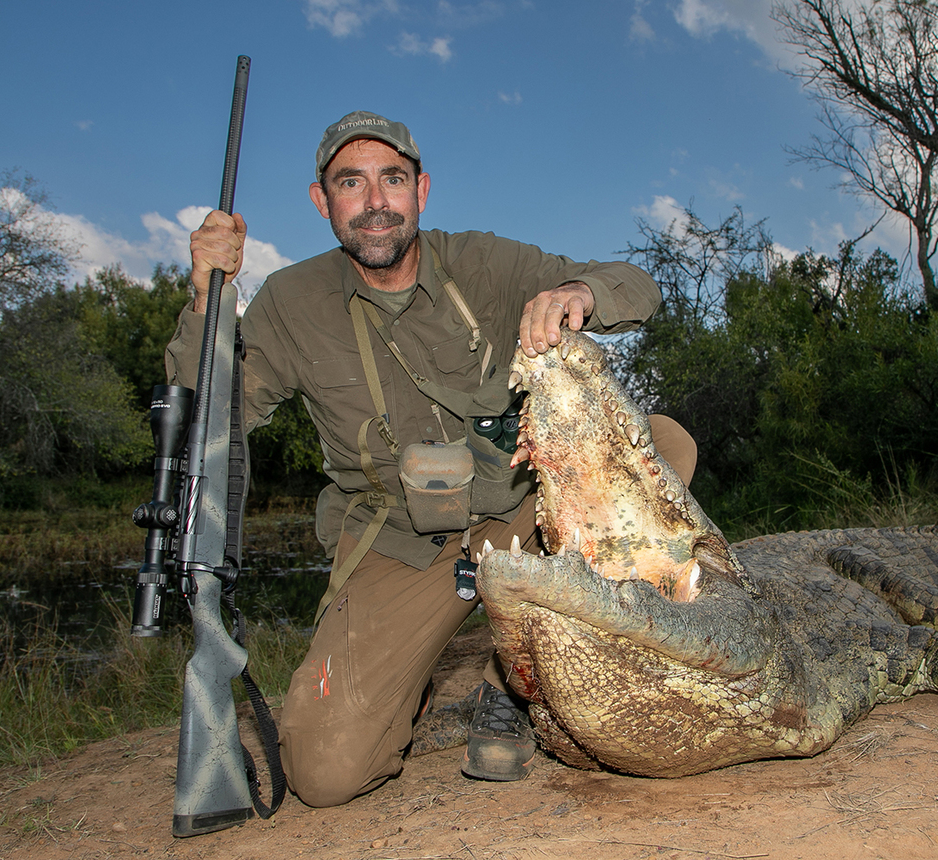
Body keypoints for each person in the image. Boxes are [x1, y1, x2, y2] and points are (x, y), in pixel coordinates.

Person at [168, 110, 697, 808]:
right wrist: (208, 294)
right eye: (350, 183)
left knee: (664, 446)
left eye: (392, 179)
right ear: (321, 202)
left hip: (519, 512)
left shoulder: (484, 262)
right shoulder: (289, 301)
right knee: (326, 775)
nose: (375, 200)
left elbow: (634, 284)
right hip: (399, 544)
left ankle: (511, 677)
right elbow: (206, 416)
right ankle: (407, 686)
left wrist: (579, 293)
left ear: (421, 190)